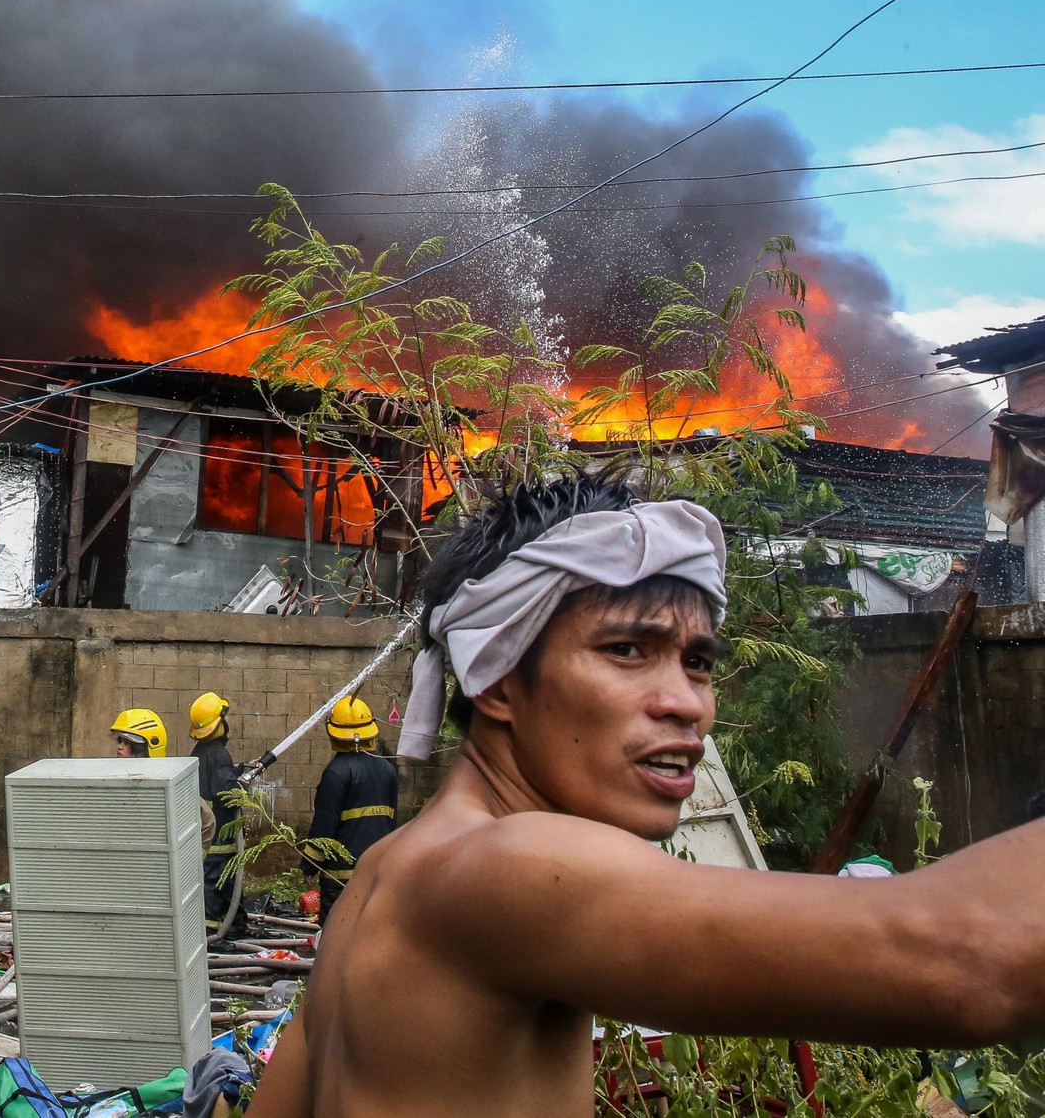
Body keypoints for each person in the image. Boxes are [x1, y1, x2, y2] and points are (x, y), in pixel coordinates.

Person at [248, 472, 1045, 1117]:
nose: (688, 703)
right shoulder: (516, 864)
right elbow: (970, 961)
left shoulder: (386, 874)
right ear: (494, 680)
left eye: (697, 663)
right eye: (627, 649)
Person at [297, 696, 397, 923]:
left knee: (336, 933)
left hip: (341, 878)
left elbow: (324, 826)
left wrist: (309, 865)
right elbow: (392, 824)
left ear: (334, 733)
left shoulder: (336, 772)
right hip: (377, 874)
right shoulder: (388, 769)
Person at [188, 691, 242, 936]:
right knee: (219, 884)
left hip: (209, 837)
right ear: (219, 723)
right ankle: (218, 934)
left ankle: (223, 928)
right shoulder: (218, 754)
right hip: (220, 838)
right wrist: (241, 787)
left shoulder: (201, 751)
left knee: (214, 882)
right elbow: (226, 792)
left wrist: (238, 771)